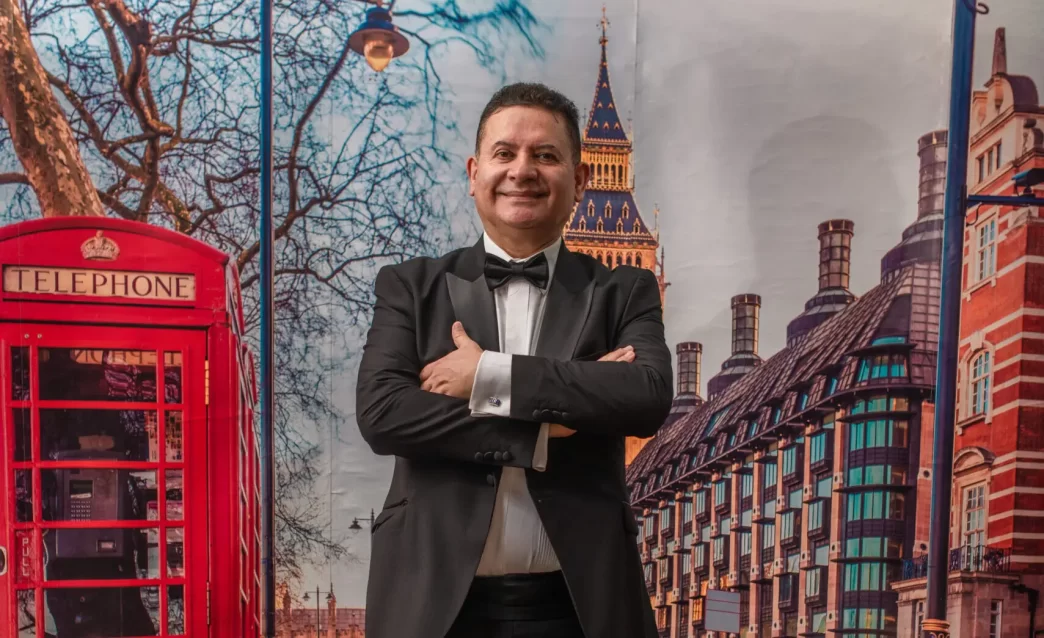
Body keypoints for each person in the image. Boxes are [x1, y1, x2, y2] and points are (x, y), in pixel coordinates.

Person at [356, 82, 672, 638]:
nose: (522, 170)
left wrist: (488, 375)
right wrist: (543, 428)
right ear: (475, 172)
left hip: (582, 609)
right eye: (505, 153)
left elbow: (644, 395)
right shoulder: (411, 287)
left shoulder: (625, 290)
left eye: (545, 155)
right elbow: (384, 414)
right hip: (433, 609)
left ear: (581, 179)